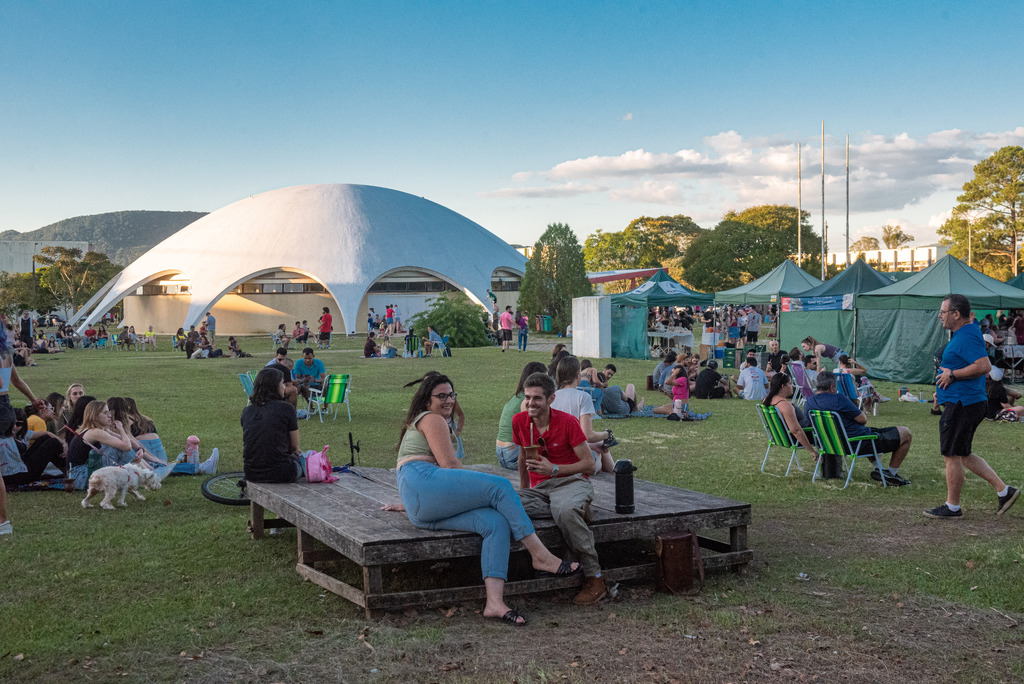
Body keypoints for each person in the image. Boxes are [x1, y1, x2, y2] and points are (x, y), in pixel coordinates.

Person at [383, 372, 579, 626]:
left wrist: (410, 503)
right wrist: (481, 490)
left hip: (423, 502)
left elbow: (431, 477)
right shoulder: (431, 418)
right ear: (427, 399)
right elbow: (449, 465)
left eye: (451, 395)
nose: (448, 400)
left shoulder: (429, 420)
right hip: (422, 485)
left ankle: (494, 603)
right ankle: (540, 554)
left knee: (495, 523)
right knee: (499, 487)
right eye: (441, 396)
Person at [513, 371, 607, 606]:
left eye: (537, 398)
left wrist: (554, 469)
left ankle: (595, 576)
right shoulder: (520, 421)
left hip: (572, 482)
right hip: (541, 489)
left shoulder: (567, 422)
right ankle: (521, 569)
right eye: (527, 397)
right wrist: (523, 492)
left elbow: (589, 464)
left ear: (551, 399)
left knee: (565, 511)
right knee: (505, 502)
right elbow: (522, 458)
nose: (531, 403)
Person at [926, 294, 1019, 518]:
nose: (940, 316)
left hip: (963, 403)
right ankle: (1004, 491)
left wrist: (953, 375)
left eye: (943, 312)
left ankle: (953, 506)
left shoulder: (968, 335)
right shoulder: (964, 334)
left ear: (956, 314)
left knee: (951, 454)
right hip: (964, 402)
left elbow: (984, 366)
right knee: (963, 454)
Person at [805, 371, 912, 486]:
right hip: (856, 443)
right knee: (905, 433)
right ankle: (891, 473)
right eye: (836, 387)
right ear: (831, 387)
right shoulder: (839, 399)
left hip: (832, 445)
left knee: (869, 431)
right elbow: (863, 419)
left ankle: (879, 469)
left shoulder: (809, 402)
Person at [551, 356, 614, 473]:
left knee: (597, 446)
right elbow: (587, 435)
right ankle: (617, 475)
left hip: (556, 454)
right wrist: (607, 434)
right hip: (574, 459)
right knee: (601, 452)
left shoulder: (552, 397)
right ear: (577, 375)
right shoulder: (583, 397)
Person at [242, 368, 303, 483]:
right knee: (303, 462)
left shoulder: (247, 411)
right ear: (275, 386)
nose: (284, 387)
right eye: (282, 383)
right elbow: (294, 447)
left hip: (251, 472)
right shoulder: (286, 408)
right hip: (281, 472)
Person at [496, 362, 547, 470]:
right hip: (512, 454)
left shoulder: (517, 396)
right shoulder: (526, 401)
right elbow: (529, 433)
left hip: (503, 452)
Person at [762, 373, 817, 456]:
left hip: (781, 437)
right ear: (783, 386)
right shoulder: (784, 405)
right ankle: (829, 463)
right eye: (790, 384)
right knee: (826, 433)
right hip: (802, 435)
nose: (793, 386)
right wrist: (812, 451)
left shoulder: (767, 400)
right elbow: (795, 430)